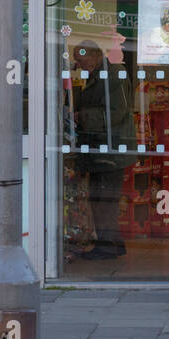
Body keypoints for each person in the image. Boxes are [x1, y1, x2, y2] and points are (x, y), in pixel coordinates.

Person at [71, 41, 134, 260]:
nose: (78, 65)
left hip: (111, 149)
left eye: (81, 59)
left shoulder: (114, 74)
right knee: (101, 197)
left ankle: (108, 246)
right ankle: (112, 243)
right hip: (102, 148)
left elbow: (117, 111)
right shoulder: (99, 74)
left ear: (97, 55)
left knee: (104, 198)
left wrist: (81, 117)